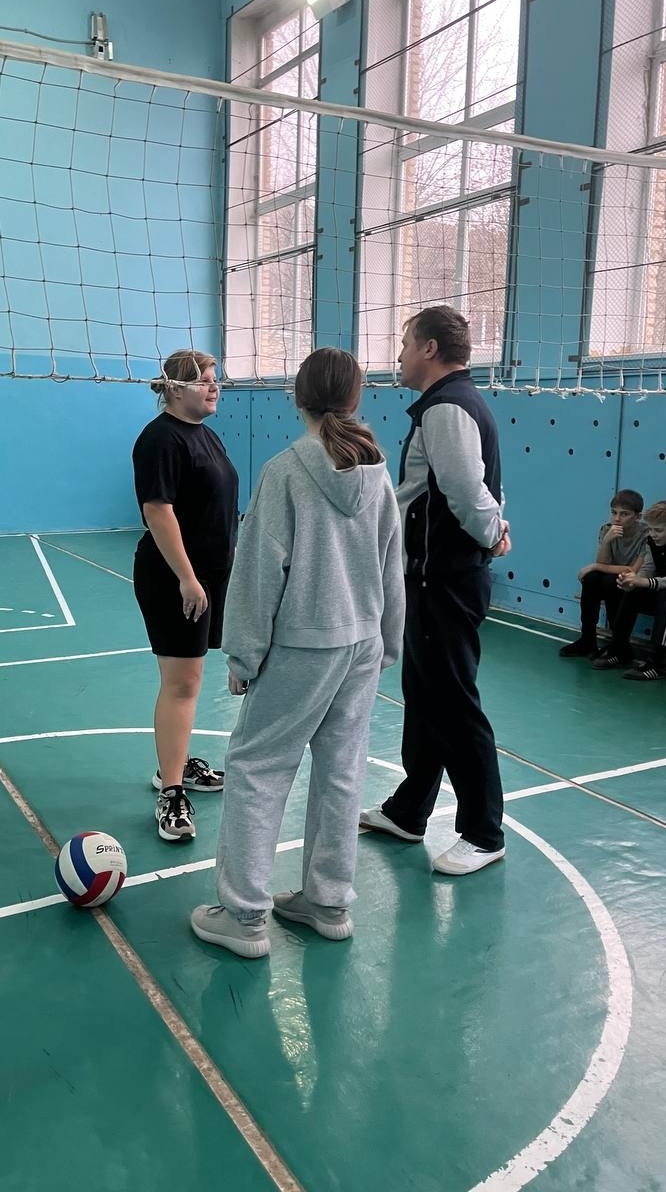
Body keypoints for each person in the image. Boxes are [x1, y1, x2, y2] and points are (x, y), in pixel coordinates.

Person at [190, 348, 405, 958]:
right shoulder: (377, 472)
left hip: (304, 647)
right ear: (356, 399)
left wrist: (242, 656)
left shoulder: (285, 471)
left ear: (297, 397)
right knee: (342, 769)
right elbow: (393, 563)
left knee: (257, 767)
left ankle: (244, 917)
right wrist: (389, 641)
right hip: (362, 644)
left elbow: (258, 573)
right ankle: (329, 903)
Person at [359, 305, 511, 877]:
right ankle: (409, 811)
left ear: (429, 348)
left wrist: (493, 533)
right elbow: (482, 484)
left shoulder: (448, 408)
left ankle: (483, 832)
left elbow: (467, 491)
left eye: (405, 344)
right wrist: (494, 528)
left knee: (451, 701)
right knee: (424, 697)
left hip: (445, 579)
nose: (399, 356)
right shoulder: (451, 405)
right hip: (430, 577)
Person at [132, 349, 238, 843]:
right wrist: (188, 577)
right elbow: (158, 511)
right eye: (203, 380)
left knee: (190, 681)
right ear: (174, 388)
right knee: (182, 683)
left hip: (209, 576)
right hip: (174, 578)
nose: (214, 387)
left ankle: (174, 762)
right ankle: (170, 791)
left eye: (215, 378)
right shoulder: (159, 439)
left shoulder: (206, 435)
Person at [591, 499, 666, 681]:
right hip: (664, 589)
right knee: (633, 590)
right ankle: (619, 648)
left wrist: (644, 582)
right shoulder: (651, 541)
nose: (653, 535)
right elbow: (648, 569)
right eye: (651, 530)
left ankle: (657, 663)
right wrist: (633, 582)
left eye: (659, 531)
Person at [560, 489, 647, 658]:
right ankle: (587, 640)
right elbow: (603, 562)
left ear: (638, 517)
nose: (617, 518)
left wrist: (594, 566)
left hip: (635, 582)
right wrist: (607, 541)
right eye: (614, 513)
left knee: (609, 581)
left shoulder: (646, 535)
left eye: (624, 514)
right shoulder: (607, 529)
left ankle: (618, 644)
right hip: (612, 577)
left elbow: (633, 570)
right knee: (591, 579)